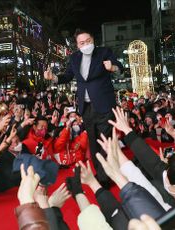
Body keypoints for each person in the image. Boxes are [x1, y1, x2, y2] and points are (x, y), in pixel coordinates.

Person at [44, 28, 123, 184]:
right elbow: (67, 76)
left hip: (104, 104)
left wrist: (112, 68)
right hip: (86, 107)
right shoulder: (74, 58)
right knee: (92, 143)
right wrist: (53, 77)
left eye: (88, 41)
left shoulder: (104, 52)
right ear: (77, 45)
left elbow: (119, 66)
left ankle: (105, 177)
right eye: (82, 43)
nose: (86, 44)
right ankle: (101, 173)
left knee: (105, 141)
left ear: (93, 40)